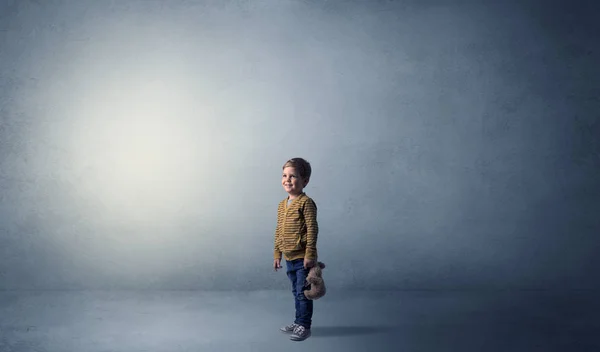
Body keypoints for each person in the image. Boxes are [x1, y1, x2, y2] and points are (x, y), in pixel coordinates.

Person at [273, 157, 319, 342]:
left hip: (302, 258)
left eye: (293, 176)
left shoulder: (306, 203)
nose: (287, 179)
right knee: (296, 291)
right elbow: (279, 230)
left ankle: (304, 326)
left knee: (303, 292)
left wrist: (310, 254)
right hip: (289, 258)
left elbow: (312, 229)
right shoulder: (282, 205)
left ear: (305, 180)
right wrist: (277, 254)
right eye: (284, 175)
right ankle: (298, 320)